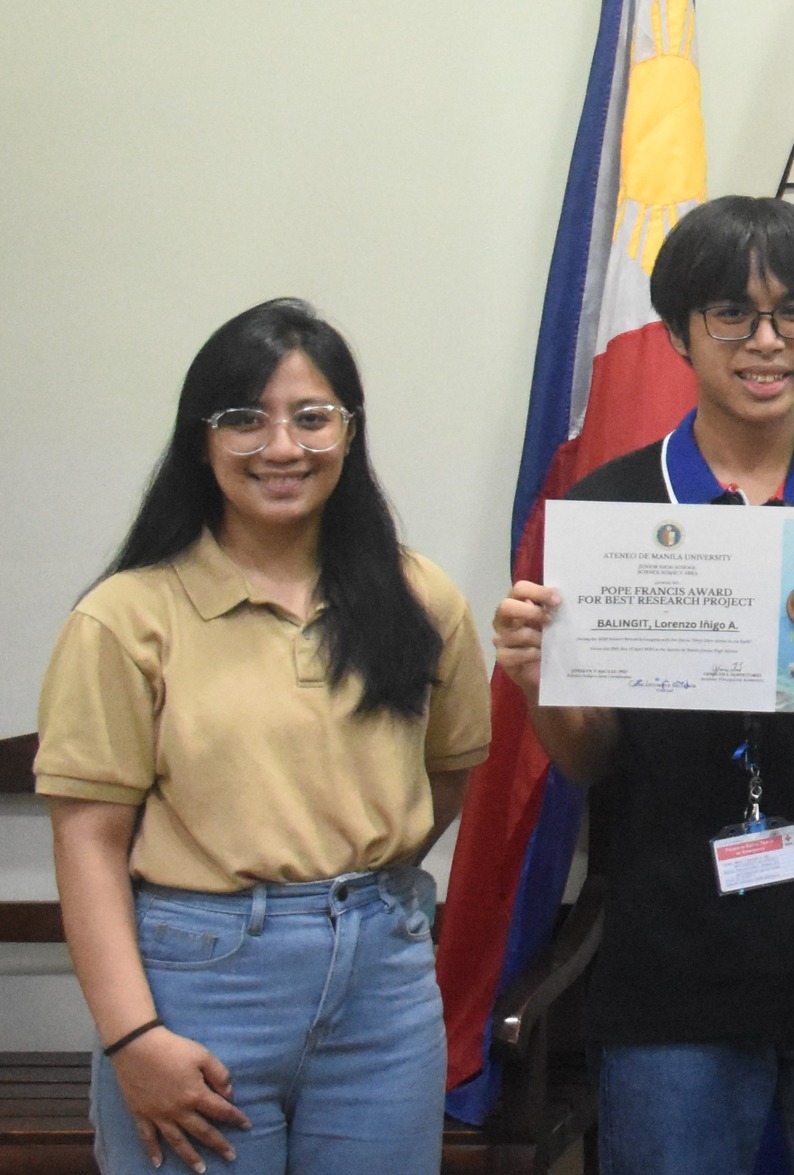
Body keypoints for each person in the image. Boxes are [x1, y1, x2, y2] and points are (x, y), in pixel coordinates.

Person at [489, 196, 794, 1175]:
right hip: (672, 954)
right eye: (732, 315)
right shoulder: (607, 507)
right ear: (679, 334)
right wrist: (537, 682)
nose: (766, 342)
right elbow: (590, 756)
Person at [39, 299, 490, 1174]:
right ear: (200, 440)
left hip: (384, 992)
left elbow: (447, 776)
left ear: (349, 433)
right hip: (199, 987)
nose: (282, 447)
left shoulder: (420, 597)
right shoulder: (127, 617)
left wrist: (351, 884)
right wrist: (134, 1035)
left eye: (312, 417)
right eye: (245, 418)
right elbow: (87, 841)